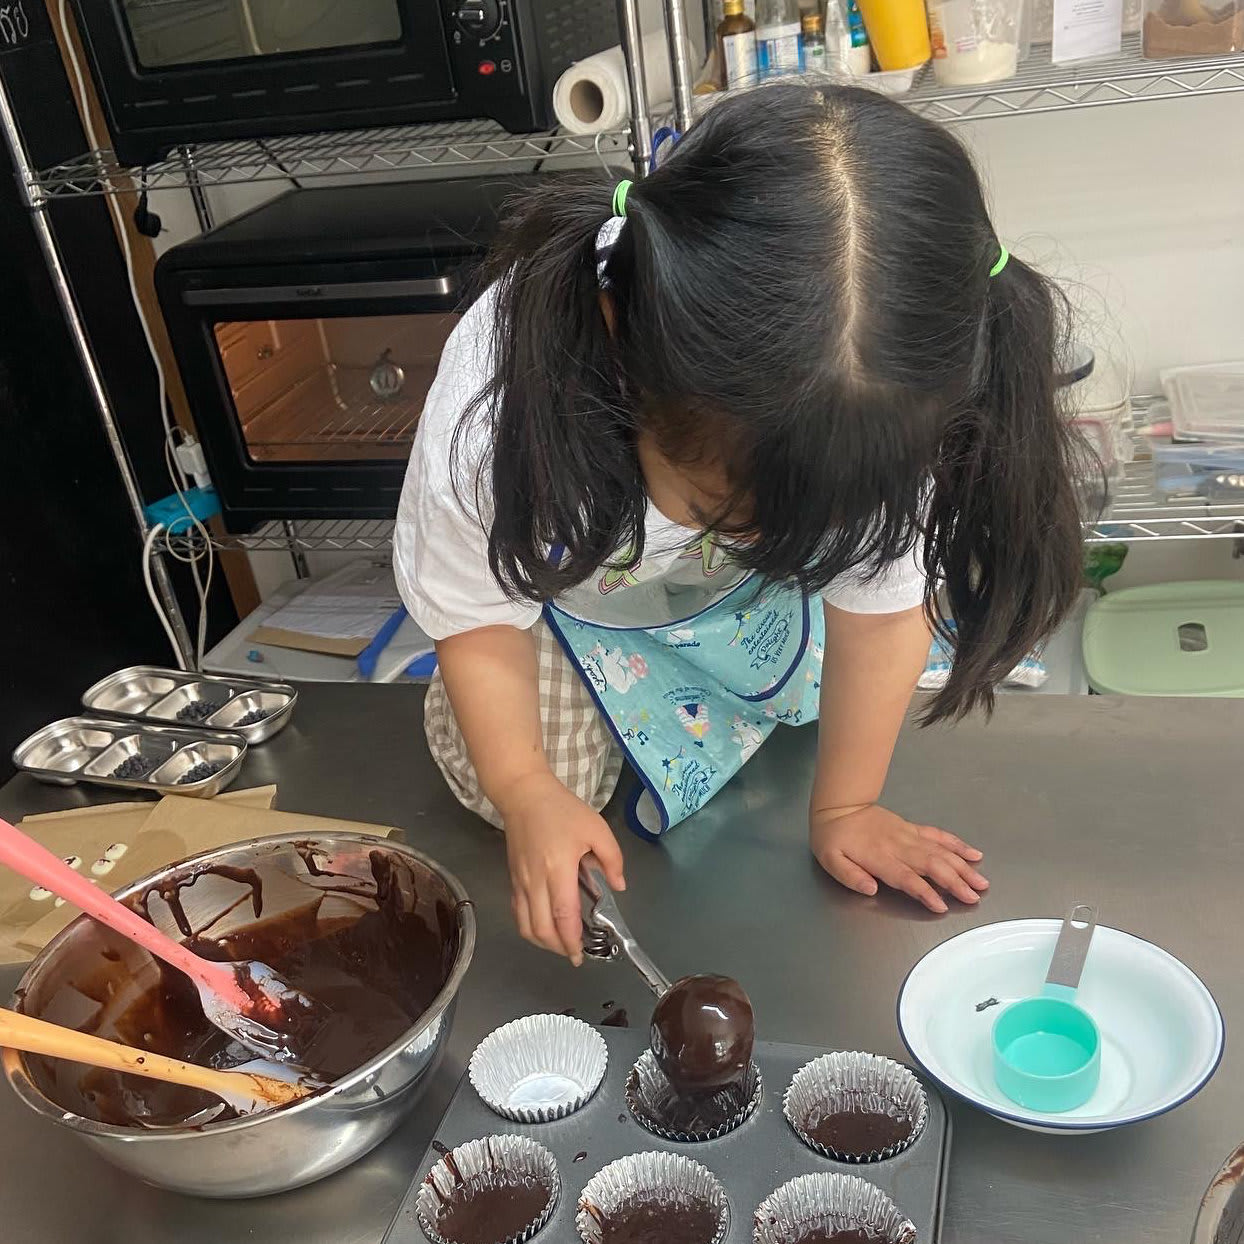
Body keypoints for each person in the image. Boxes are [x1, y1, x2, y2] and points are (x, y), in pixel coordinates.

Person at [394, 82, 1083, 964]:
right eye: (725, 508)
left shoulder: (883, 407)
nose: (756, 535)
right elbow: (478, 609)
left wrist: (845, 808)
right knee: (534, 784)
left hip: (720, 597)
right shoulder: (494, 411)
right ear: (625, 348)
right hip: (565, 583)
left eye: (800, 526)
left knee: (811, 712)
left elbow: (879, 620)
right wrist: (527, 790)